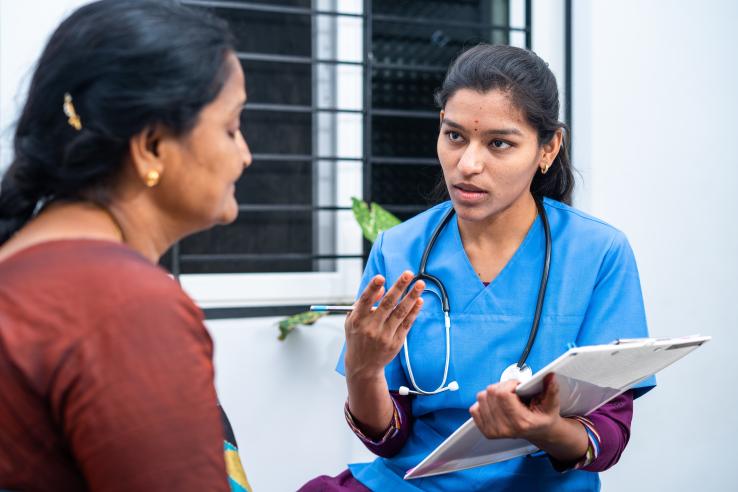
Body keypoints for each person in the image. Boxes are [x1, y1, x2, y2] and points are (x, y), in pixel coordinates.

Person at [301, 44, 655, 491]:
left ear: (548, 148)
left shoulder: (599, 253)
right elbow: (387, 440)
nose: (467, 164)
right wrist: (364, 371)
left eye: (499, 143)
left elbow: (607, 437)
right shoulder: (399, 249)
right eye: (454, 136)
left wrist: (542, 428)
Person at [0, 1, 253, 491]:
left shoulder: (28, 263)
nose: (244, 155)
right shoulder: (124, 306)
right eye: (231, 127)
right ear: (153, 145)